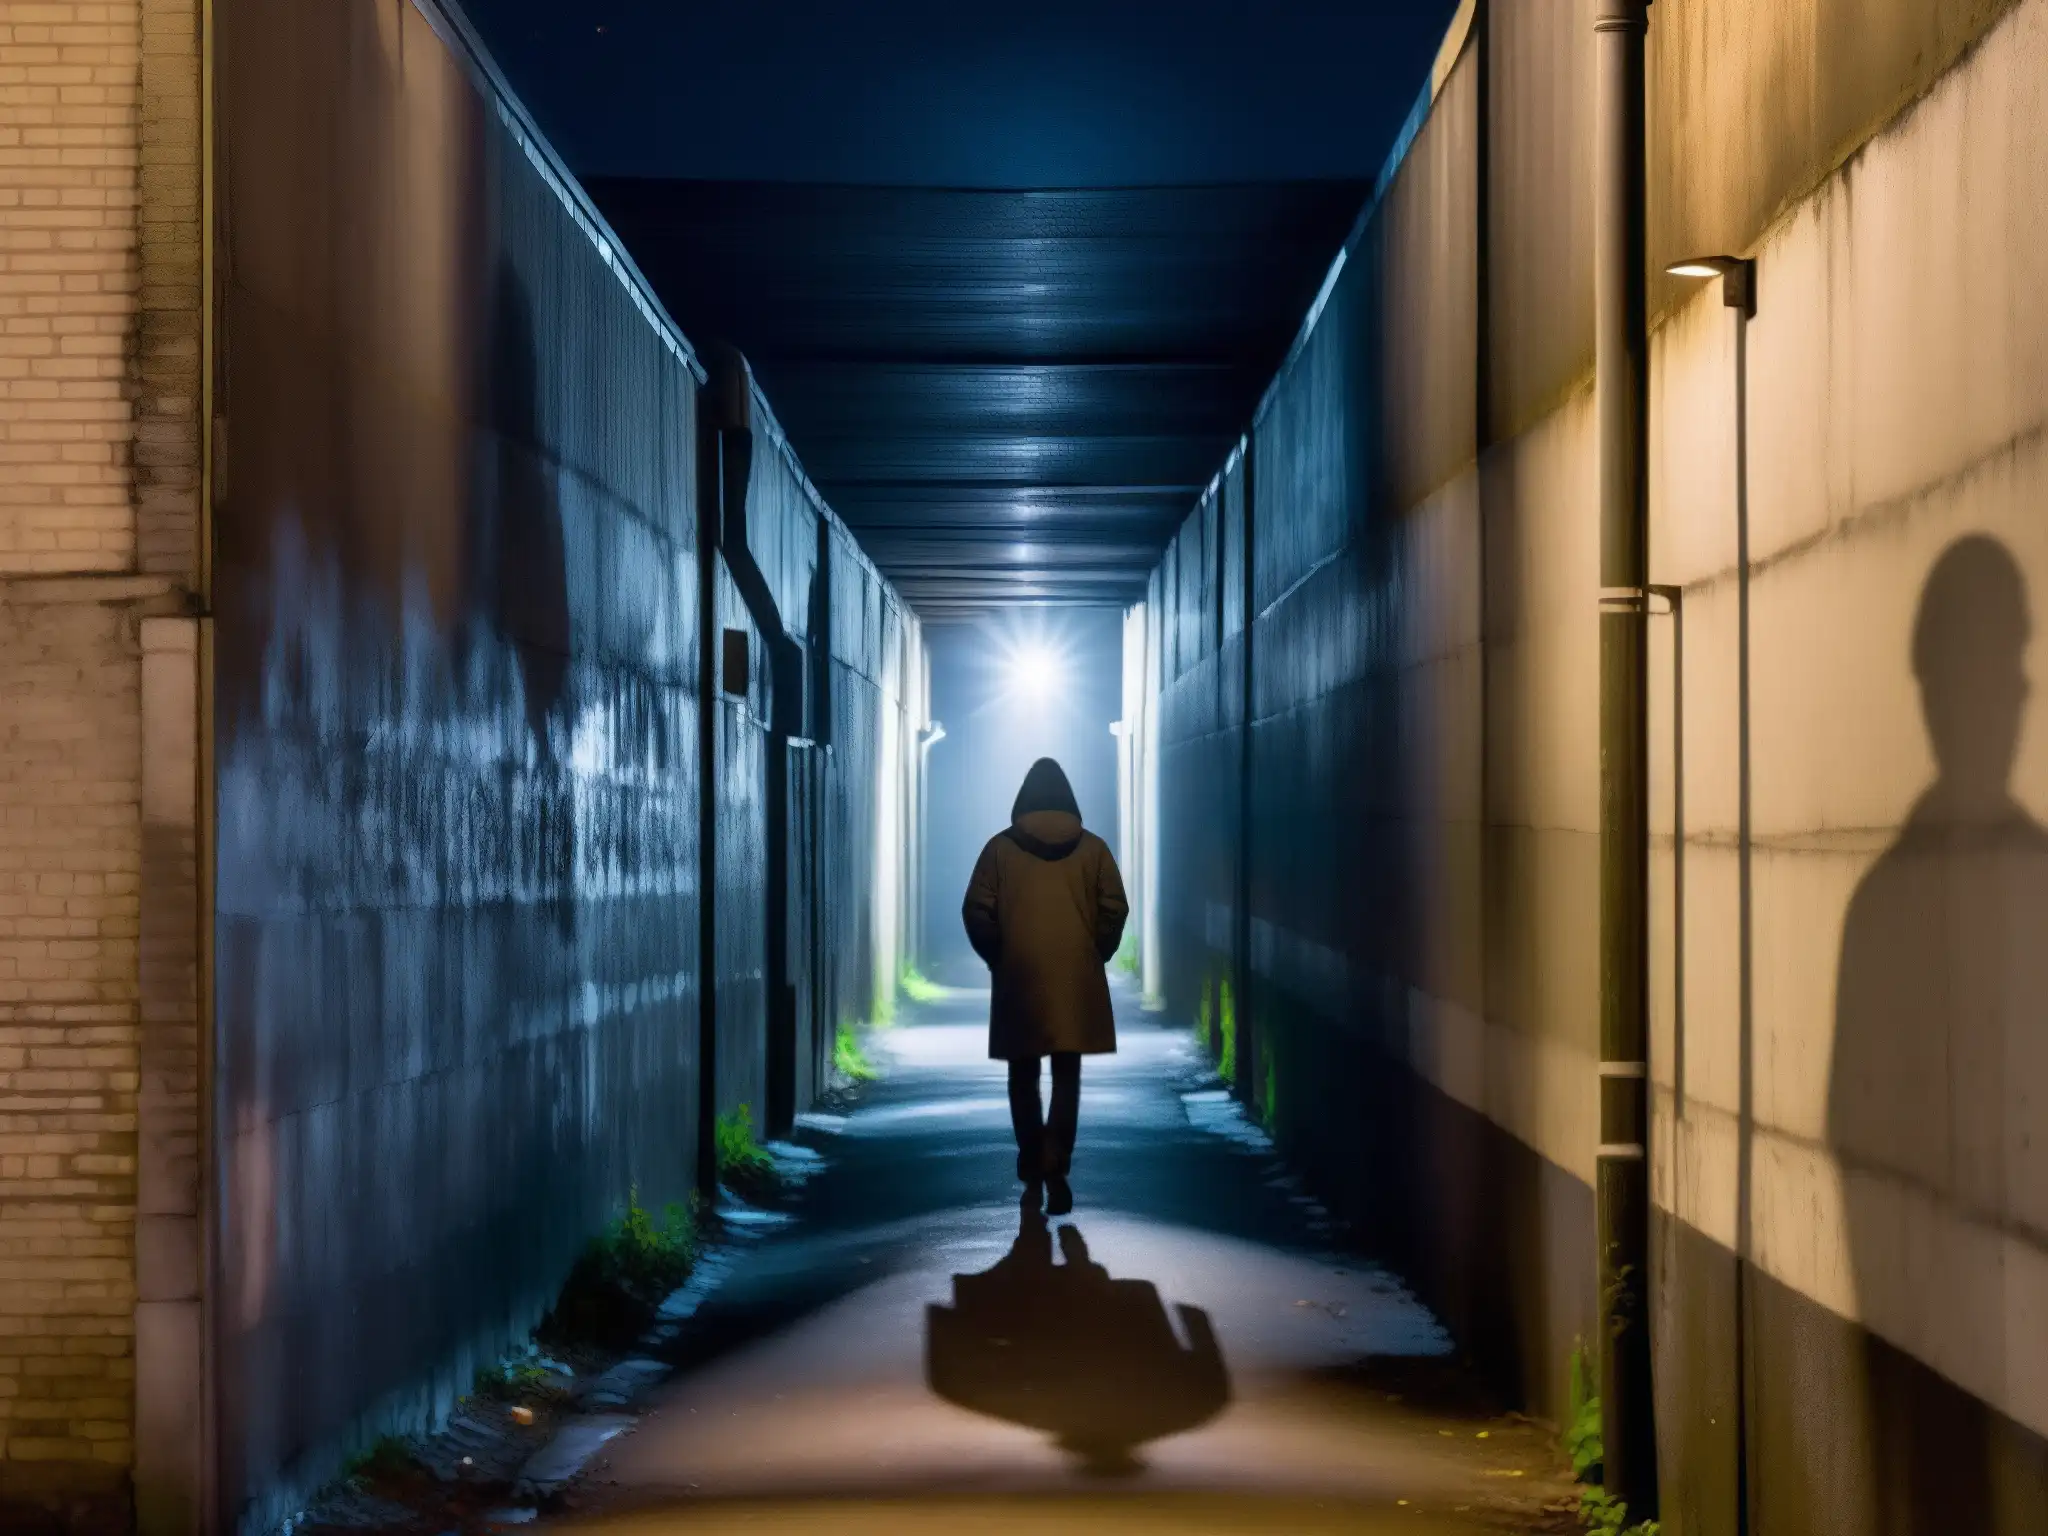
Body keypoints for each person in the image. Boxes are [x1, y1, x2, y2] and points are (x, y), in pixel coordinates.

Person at [962, 757, 1129, 1214]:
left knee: (1023, 1074)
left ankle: (1032, 1154)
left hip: (1019, 976)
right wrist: (1096, 951)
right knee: (1067, 1074)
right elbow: (1114, 907)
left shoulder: (1000, 850)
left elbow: (976, 909)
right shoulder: (1093, 850)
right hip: (1075, 977)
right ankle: (1057, 1159)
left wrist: (999, 955)